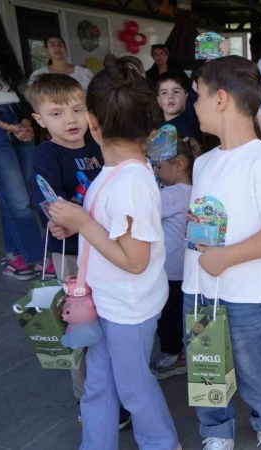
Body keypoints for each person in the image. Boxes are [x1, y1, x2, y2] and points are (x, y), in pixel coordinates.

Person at [46, 54, 178, 450]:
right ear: (150, 127)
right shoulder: (113, 172)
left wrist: (84, 223)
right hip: (105, 299)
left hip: (130, 307)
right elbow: (111, 231)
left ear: (92, 121)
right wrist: (77, 222)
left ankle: (162, 443)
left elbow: (134, 261)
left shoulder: (133, 182)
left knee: (133, 387)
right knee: (99, 383)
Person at [183, 55, 261, 450]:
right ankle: (215, 429)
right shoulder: (203, 163)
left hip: (248, 291)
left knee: (256, 365)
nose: (192, 106)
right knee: (206, 362)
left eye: (196, 96)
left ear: (219, 99)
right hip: (200, 287)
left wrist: (225, 257)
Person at [0, 0, 44, 280]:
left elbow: (20, 92)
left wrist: (27, 121)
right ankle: (37, 258)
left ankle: (14, 257)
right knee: (17, 199)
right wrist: (8, 126)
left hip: (18, 118)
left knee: (20, 195)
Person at [150, 137, 200, 380]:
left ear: (178, 166)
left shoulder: (171, 194)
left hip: (169, 271)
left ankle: (173, 354)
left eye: (159, 166)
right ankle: (183, 351)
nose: (156, 171)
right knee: (181, 313)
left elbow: (146, 209)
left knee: (167, 316)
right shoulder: (193, 191)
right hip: (186, 269)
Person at [28, 36, 94, 91]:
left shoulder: (83, 72)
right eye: (52, 45)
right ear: (47, 51)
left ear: (65, 48)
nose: (57, 48)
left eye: (60, 44)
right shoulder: (40, 75)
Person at [157, 71, 202, 142]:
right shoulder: (158, 129)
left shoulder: (190, 118)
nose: (170, 96)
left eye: (176, 91)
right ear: (159, 101)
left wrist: (211, 58)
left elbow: (199, 79)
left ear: (186, 97)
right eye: (164, 93)